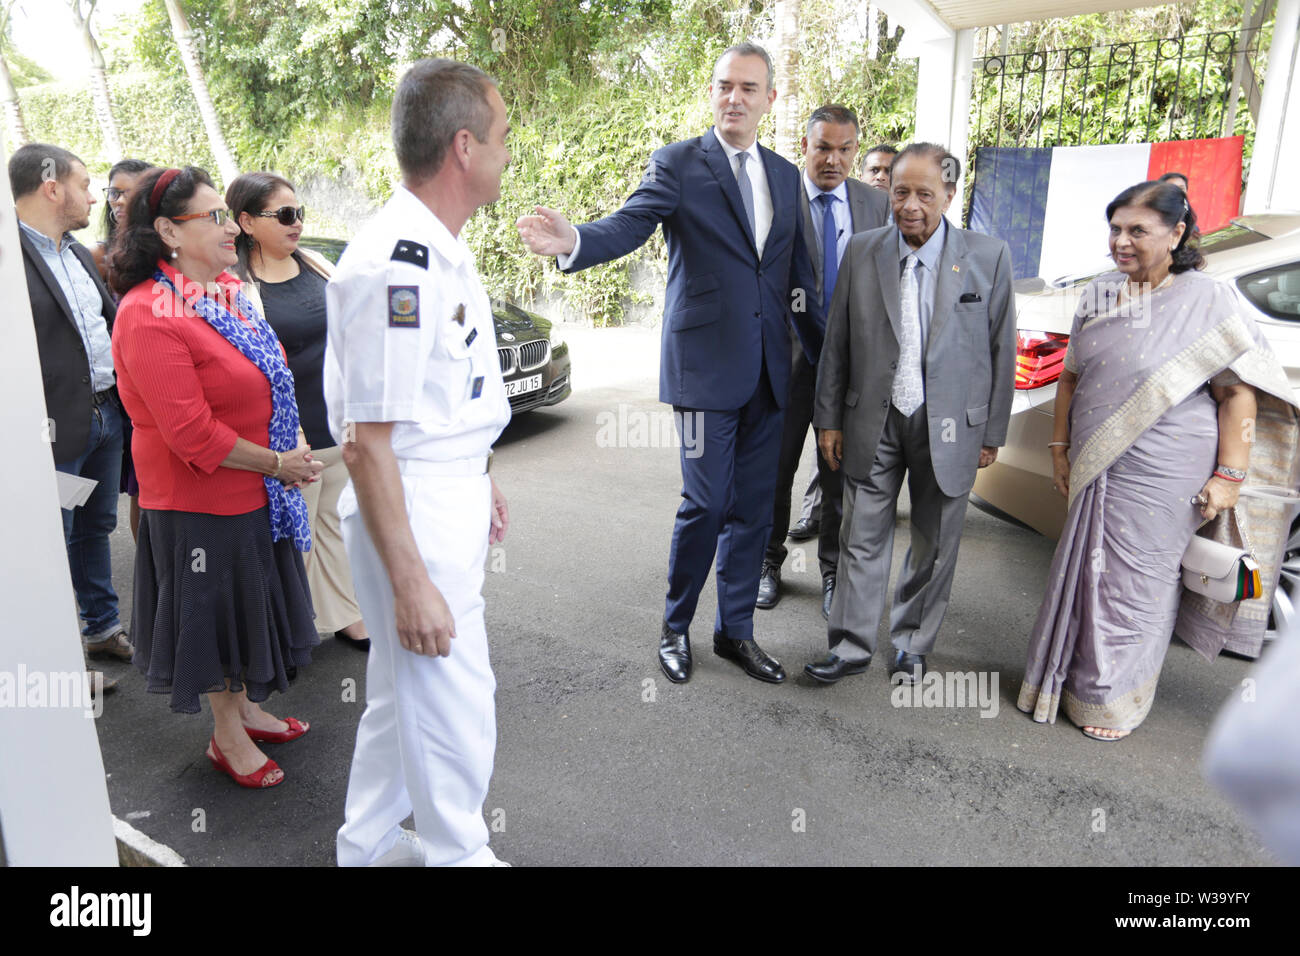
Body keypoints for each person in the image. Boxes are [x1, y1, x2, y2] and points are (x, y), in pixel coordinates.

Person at [518, 42, 824, 685]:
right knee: (706, 504)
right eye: (724, 86)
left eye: (748, 88)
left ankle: (735, 632)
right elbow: (631, 224)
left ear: (769, 99)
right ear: (712, 94)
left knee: (755, 512)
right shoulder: (680, 163)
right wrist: (574, 240)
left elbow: (800, 281)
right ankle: (675, 626)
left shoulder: (786, 175)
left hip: (771, 373)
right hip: (703, 371)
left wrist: (827, 367)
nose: (734, 98)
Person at [1017, 180, 1299, 741]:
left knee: (1137, 585)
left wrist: (1229, 477)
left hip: (1166, 468)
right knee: (1085, 574)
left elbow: (1238, 392)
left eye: (1137, 231)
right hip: (1097, 458)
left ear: (1177, 234)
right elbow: (1070, 377)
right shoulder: (1100, 292)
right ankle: (1066, 680)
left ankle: (1113, 702)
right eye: (1116, 229)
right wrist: (1059, 448)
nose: (1121, 242)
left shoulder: (1207, 299)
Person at [328, 58, 513, 867]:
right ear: (464, 147)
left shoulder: (435, 247)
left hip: (439, 491)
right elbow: (367, 443)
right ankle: (459, 857)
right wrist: (409, 583)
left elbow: (436, 401)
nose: (511, 153)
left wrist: (479, 475)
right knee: (452, 702)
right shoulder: (397, 264)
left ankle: (366, 849)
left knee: (402, 697)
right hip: (411, 510)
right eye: (503, 138)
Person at [109, 165, 322, 787]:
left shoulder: (223, 291)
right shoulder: (147, 313)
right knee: (222, 620)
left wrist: (291, 445)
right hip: (202, 503)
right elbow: (192, 434)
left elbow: (273, 380)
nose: (232, 227)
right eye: (215, 217)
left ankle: (249, 712)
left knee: (251, 609)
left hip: (256, 491)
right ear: (169, 231)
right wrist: (279, 463)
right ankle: (226, 739)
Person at [808, 142, 1016, 685]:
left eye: (925, 193)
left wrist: (992, 430)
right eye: (901, 192)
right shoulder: (863, 251)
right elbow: (838, 345)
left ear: (949, 194)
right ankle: (850, 646)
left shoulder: (988, 256)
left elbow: (1001, 350)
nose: (910, 205)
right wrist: (828, 419)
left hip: (949, 425)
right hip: (870, 421)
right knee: (860, 536)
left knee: (936, 538)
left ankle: (911, 643)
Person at [227, 172, 371, 652]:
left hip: (339, 428)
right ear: (246, 221)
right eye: (285, 215)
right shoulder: (234, 287)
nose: (297, 223)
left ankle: (346, 615)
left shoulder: (315, 263)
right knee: (293, 537)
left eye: (299, 213)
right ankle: (288, 628)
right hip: (287, 440)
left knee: (337, 523)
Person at [757, 105, 889, 620]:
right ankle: (768, 564)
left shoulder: (876, 204)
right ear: (805, 147)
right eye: (823, 148)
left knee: (839, 475)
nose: (833, 159)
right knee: (774, 470)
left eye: (844, 149)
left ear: (856, 150)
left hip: (850, 367)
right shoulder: (778, 197)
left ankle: (832, 572)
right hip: (786, 364)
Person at [12, 143, 131, 694]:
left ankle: (101, 627)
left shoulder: (79, 252)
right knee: (55, 540)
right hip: (55, 433)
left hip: (105, 419)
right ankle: (59, 661)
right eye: (85, 184)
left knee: (94, 528)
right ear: (51, 187)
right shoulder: (13, 258)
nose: (94, 196)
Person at [94, 157, 152, 542]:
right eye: (112, 192)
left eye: (125, 193)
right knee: (141, 485)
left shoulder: (163, 248)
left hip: (165, 373)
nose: (116, 201)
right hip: (125, 387)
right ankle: (151, 573)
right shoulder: (99, 256)